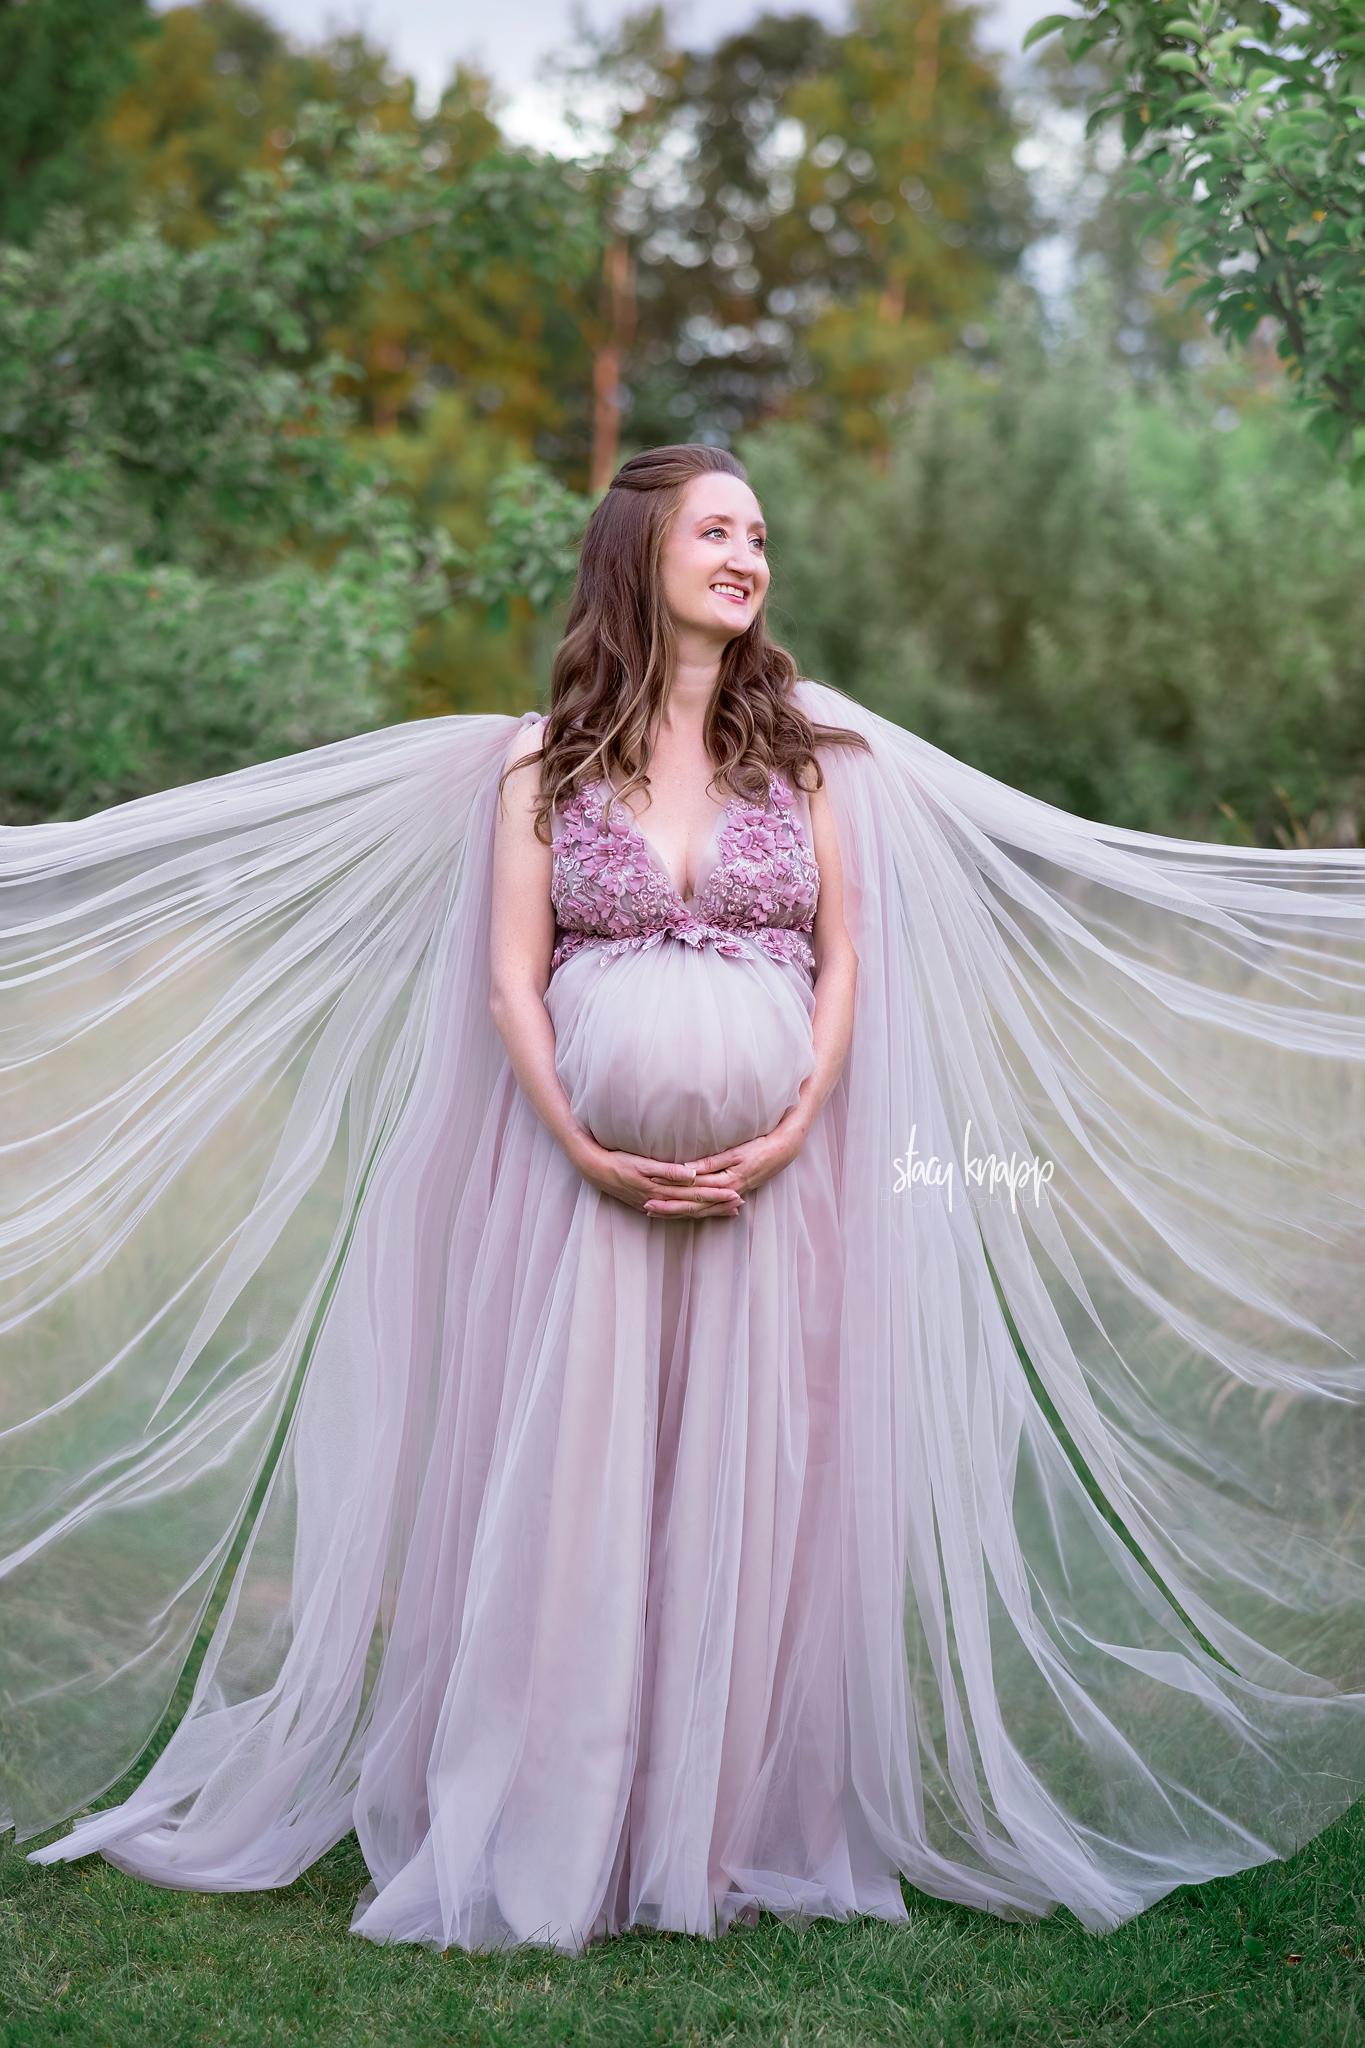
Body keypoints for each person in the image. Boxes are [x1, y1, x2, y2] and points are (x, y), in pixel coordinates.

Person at [7, 443, 1365, 1953]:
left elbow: (847, 956)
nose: (746, 553)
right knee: (578, 1489)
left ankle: (711, 1829)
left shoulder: (812, 754)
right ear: (639, 549)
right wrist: (581, 1141)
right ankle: (557, 1817)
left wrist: (788, 1125)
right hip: (577, 1198)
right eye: (716, 529)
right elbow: (513, 977)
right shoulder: (542, 761)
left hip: (771, 1200)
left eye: (760, 535)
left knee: (746, 1492)